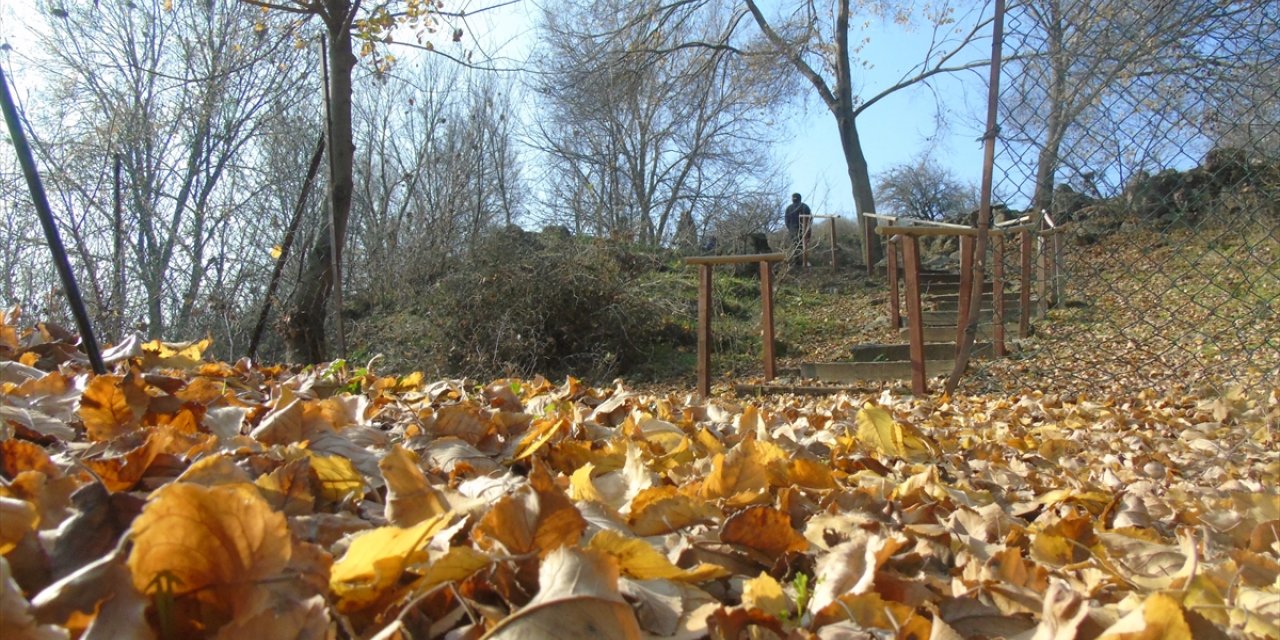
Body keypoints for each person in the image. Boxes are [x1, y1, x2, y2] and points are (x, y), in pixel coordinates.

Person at [784, 193, 811, 265]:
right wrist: (808, 231)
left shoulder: (788, 208)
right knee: (803, 246)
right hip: (803, 229)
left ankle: (796, 263)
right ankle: (804, 262)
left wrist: (790, 229)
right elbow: (809, 220)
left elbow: (786, 221)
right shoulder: (805, 207)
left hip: (792, 230)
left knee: (795, 246)